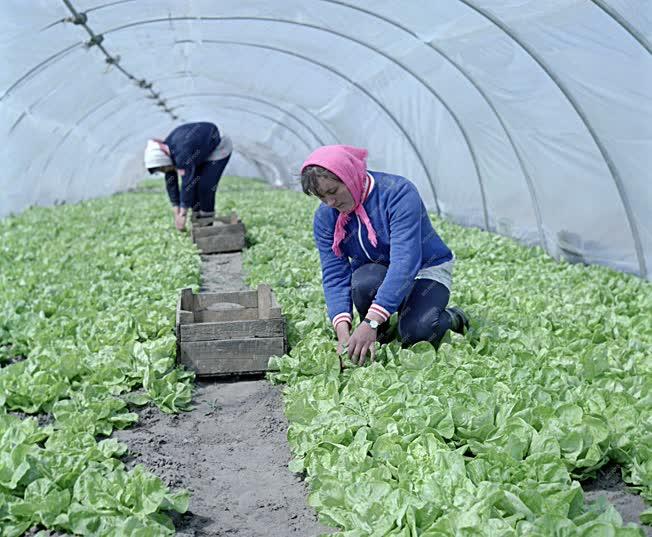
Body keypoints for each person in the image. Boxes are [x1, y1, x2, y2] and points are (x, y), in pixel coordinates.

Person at [301, 145, 469, 366]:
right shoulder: (327, 217)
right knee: (363, 284)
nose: (331, 203)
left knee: (416, 332)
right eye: (322, 197)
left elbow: (404, 263)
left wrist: (370, 322)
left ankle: (454, 317)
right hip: (376, 270)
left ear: (349, 176)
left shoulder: (397, 193)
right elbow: (335, 274)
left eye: (333, 191)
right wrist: (343, 333)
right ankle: (381, 327)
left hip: (425, 269)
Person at [144, 122, 232, 230]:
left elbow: (188, 183)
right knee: (194, 190)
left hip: (218, 144)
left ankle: (207, 223)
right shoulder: (168, 153)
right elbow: (171, 182)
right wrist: (176, 208)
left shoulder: (181, 153)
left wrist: (183, 214)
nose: (163, 172)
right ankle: (197, 220)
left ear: (164, 161)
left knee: (205, 187)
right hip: (199, 149)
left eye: (162, 169)